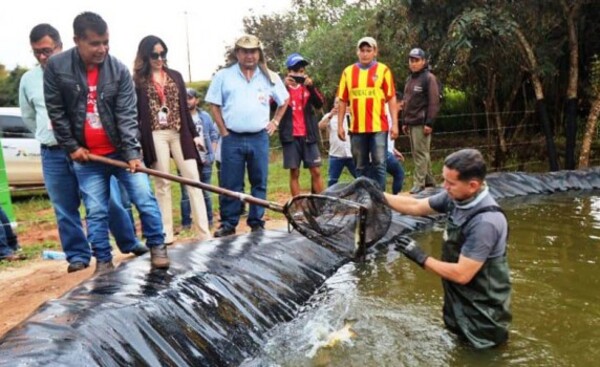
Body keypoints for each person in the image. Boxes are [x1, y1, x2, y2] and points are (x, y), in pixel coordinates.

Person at [44, 12, 169, 270]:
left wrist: (133, 152)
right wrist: (72, 147)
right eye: (95, 43)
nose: (102, 49)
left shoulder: (119, 71)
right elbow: (56, 112)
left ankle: (157, 247)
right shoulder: (57, 68)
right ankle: (103, 260)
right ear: (77, 40)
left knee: (144, 198)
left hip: (122, 153)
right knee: (96, 210)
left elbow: (126, 115)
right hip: (87, 157)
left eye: (105, 42)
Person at [19, 23, 147, 274]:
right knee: (64, 206)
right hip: (54, 152)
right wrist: (52, 138)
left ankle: (128, 242)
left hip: (88, 152)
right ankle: (78, 255)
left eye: (47, 50)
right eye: (37, 52)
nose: (43, 57)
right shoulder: (28, 80)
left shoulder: (80, 71)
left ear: (62, 45)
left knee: (107, 202)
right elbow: (29, 116)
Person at [385, 148, 511, 349]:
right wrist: (377, 194)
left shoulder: (486, 222)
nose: (445, 187)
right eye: (444, 180)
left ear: (473, 185)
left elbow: (462, 274)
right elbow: (415, 207)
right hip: (459, 302)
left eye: (450, 183)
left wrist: (420, 256)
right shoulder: (455, 198)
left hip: (483, 317)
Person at [205, 34, 289, 237]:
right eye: (245, 51)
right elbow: (214, 104)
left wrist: (275, 121)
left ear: (259, 53)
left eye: (254, 51)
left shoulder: (270, 76)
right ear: (237, 53)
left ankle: (257, 221)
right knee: (230, 182)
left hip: (259, 136)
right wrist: (223, 130)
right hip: (231, 137)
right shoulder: (223, 76)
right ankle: (229, 223)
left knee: (259, 180)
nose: (250, 56)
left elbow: (284, 100)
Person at [133, 35, 210, 244]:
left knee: (193, 179)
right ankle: (166, 234)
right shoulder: (139, 80)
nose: (159, 58)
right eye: (155, 55)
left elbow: (185, 110)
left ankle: (203, 232)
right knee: (163, 183)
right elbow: (137, 113)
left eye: (163, 54)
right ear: (145, 56)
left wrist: (195, 135)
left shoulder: (175, 76)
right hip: (155, 133)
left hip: (179, 132)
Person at [337, 36, 398, 191]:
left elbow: (391, 98)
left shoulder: (383, 70)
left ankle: (380, 199)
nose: (365, 54)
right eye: (362, 50)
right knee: (360, 165)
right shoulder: (348, 72)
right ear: (357, 52)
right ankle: (364, 198)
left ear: (374, 52)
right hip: (357, 128)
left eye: (368, 50)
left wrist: (395, 125)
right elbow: (342, 100)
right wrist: (340, 126)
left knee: (379, 163)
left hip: (378, 126)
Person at [279, 53, 325, 196]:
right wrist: (283, 87)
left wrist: (311, 87)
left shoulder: (308, 87)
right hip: (290, 136)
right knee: (295, 172)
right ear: (289, 72)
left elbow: (319, 103)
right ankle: (297, 209)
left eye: (301, 71)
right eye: (295, 71)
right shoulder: (282, 89)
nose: (298, 74)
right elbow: (272, 104)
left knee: (316, 171)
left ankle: (321, 205)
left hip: (309, 135)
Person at [401, 47, 440, 194]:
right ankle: (430, 180)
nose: (413, 63)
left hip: (421, 122)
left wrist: (429, 122)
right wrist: (404, 121)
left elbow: (434, 102)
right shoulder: (410, 79)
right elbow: (406, 101)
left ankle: (419, 183)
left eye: (417, 60)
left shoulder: (429, 78)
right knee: (420, 152)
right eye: (411, 60)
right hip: (411, 121)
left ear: (424, 61)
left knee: (420, 154)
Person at [180, 88, 219, 229]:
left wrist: (212, 153)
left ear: (196, 100)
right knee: (185, 192)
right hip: (186, 159)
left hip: (205, 160)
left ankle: (208, 221)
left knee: (205, 191)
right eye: (185, 98)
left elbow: (214, 135)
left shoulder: (205, 117)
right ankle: (186, 223)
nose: (187, 101)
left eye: (190, 98)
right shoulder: (180, 118)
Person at [318, 97, 356, 187]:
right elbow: (320, 126)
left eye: (341, 103)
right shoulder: (329, 116)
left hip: (352, 154)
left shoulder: (351, 115)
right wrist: (330, 115)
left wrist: (352, 111)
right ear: (333, 105)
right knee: (332, 181)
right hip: (336, 154)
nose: (339, 105)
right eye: (336, 103)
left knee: (360, 177)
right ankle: (329, 199)